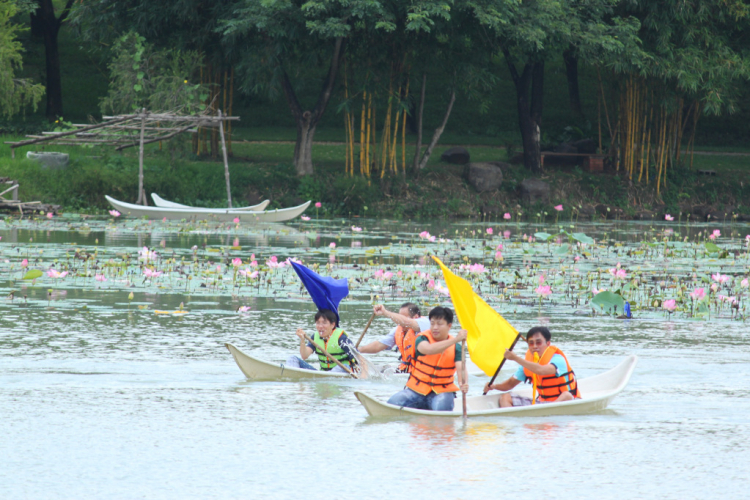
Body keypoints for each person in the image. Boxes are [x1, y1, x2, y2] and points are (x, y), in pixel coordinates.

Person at [387, 306, 468, 411]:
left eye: (439, 324)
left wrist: (463, 384)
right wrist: (456, 339)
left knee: (441, 409)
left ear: (449, 326)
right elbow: (429, 349)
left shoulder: (457, 348)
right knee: (393, 402)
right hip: (417, 390)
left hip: (441, 392)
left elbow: (461, 368)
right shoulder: (421, 338)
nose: (435, 327)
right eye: (432, 323)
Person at [483, 326, 579, 407]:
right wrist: (494, 386)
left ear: (548, 343)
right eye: (531, 343)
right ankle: (513, 426)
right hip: (542, 403)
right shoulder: (528, 363)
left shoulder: (558, 359)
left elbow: (541, 370)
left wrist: (515, 358)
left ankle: (543, 413)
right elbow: (510, 384)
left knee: (566, 395)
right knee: (505, 397)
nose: (534, 346)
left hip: (564, 401)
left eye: (538, 342)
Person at [358, 302, 430, 373]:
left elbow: (406, 322)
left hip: (424, 369)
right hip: (407, 369)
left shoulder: (425, 323)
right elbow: (379, 345)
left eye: (402, 317)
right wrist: (357, 350)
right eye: (399, 316)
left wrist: (385, 312)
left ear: (416, 317)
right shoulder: (398, 329)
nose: (399, 321)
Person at [286, 309, 357, 373]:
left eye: (324, 323)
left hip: (343, 370)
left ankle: (328, 376)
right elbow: (304, 356)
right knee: (292, 358)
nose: (320, 326)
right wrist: (302, 340)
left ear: (332, 324)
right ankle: (291, 374)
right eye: (318, 323)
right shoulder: (315, 337)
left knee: (342, 366)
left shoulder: (341, 338)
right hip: (323, 373)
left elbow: (359, 358)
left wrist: (362, 376)